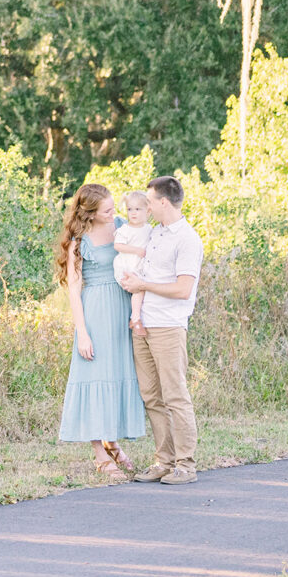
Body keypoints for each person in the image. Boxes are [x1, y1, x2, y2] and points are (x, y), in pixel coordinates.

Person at [53, 183, 147, 478]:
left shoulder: (120, 226)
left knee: (117, 374)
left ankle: (113, 442)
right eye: (107, 210)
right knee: (94, 376)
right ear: (90, 213)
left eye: (113, 207)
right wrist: (82, 331)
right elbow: (74, 289)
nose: (114, 213)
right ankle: (99, 453)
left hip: (121, 307)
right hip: (94, 311)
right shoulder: (79, 241)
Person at [123, 174, 204, 485]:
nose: (146, 207)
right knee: (152, 397)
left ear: (163, 202)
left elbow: (184, 289)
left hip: (169, 327)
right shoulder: (155, 234)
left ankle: (186, 465)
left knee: (175, 396)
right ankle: (163, 461)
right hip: (143, 323)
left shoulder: (188, 239)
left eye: (150, 202)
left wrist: (143, 284)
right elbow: (144, 271)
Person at [111, 189, 152, 288]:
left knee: (145, 289)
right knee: (138, 290)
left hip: (142, 265)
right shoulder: (125, 229)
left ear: (148, 211)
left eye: (137, 209)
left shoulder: (149, 228)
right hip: (128, 266)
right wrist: (136, 250)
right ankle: (136, 304)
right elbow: (117, 245)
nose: (133, 213)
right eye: (130, 209)